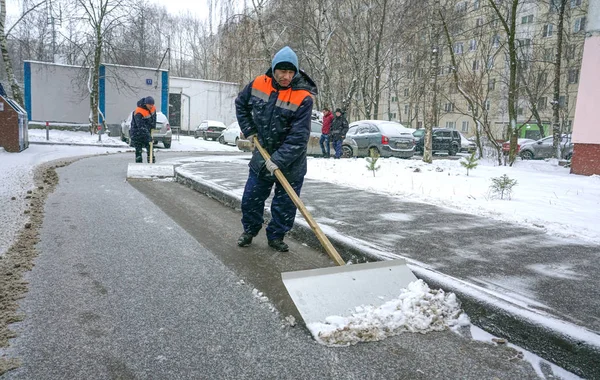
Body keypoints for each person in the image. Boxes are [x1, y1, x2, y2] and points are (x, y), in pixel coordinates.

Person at [235, 46, 318, 252]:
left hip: (291, 162)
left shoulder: (303, 96)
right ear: (274, 69)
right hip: (262, 156)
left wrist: (278, 160)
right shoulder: (258, 84)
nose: (286, 77)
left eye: (291, 72)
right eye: (282, 72)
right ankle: (250, 230)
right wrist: (249, 129)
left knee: (285, 205)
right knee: (251, 199)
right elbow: (241, 104)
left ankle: (276, 236)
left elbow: (299, 137)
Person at [130, 96, 157, 163]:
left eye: (152, 104)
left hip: (147, 131)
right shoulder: (138, 112)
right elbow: (141, 126)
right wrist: (148, 137)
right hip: (137, 133)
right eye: (149, 105)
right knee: (138, 150)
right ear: (145, 104)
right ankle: (139, 166)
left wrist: (153, 126)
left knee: (150, 149)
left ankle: (151, 163)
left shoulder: (153, 109)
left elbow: (154, 118)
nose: (151, 106)